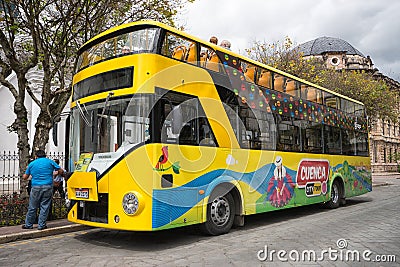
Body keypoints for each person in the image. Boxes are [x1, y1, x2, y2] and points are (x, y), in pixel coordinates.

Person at [22, 150, 63, 230]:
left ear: (36, 156)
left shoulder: (32, 163)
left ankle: (28, 224)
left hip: (36, 186)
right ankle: (41, 225)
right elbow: (60, 170)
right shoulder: (50, 162)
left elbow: (25, 177)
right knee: (45, 206)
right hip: (48, 186)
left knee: (32, 206)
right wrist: (54, 173)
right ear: (45, 155)